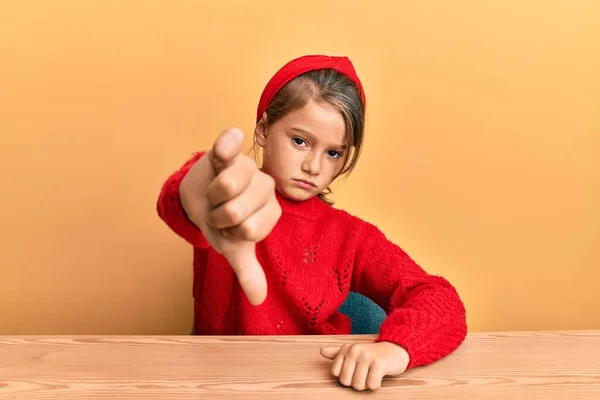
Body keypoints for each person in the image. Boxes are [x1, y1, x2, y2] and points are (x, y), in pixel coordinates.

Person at [156, 54, 467, 391]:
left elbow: (438, 297)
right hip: (219, 385)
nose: (313, 167)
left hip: (314, 387)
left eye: (333, 152)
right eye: (300, 141)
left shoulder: (352, 236)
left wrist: (397, 348)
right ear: (262, 130)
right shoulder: (232, 195)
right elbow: (185, 199)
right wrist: (200, 188)